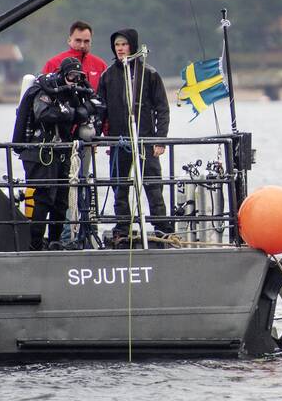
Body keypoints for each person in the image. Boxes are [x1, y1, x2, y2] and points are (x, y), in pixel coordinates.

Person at [13, 57, 101, 250]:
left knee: (61, 201)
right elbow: (44, 113)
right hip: (40, 153)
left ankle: (55, 241)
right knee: (42, 198)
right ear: (62, 74)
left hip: (62, 152)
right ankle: (35, 244)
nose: (74, 80)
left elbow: (92, 109)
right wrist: (72, 113)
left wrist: (86, 109)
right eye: (71, 75)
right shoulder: (45, 90)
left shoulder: (74, 93)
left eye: (78, 77)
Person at [95, 28, 172, 246]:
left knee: (153, 185)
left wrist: (160, 139)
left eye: (124, 44)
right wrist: (97, 137)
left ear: (133, 46)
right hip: (119, 141)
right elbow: (101, 110)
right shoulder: (107, 76)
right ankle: (122, 227)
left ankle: (161, 226)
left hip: (145, 140)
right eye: (117, 45)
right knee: (119, 186)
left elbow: (162, 109)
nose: (120, 48)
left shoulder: (149, 74)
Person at [42, 20, 108, 91]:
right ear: (69, 40)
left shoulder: (101, 65)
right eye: (78, 40)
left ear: (91, 42)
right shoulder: (53, 64)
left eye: (86, 41)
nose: (82, 45)